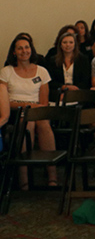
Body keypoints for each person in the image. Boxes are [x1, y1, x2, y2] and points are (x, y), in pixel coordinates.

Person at [1, 35, 57, 188]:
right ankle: (24, 180)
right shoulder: (6, 72)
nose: (24, 51)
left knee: (44, 124)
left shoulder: (42, 71)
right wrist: (27, 106)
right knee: (28, 125)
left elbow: (44, 102)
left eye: (27, 47)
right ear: (14, 52)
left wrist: (33, 108)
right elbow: (5, 102)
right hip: (15, 112)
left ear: (31, 50)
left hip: (39, 111)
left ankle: (53, 177)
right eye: (20, 48)